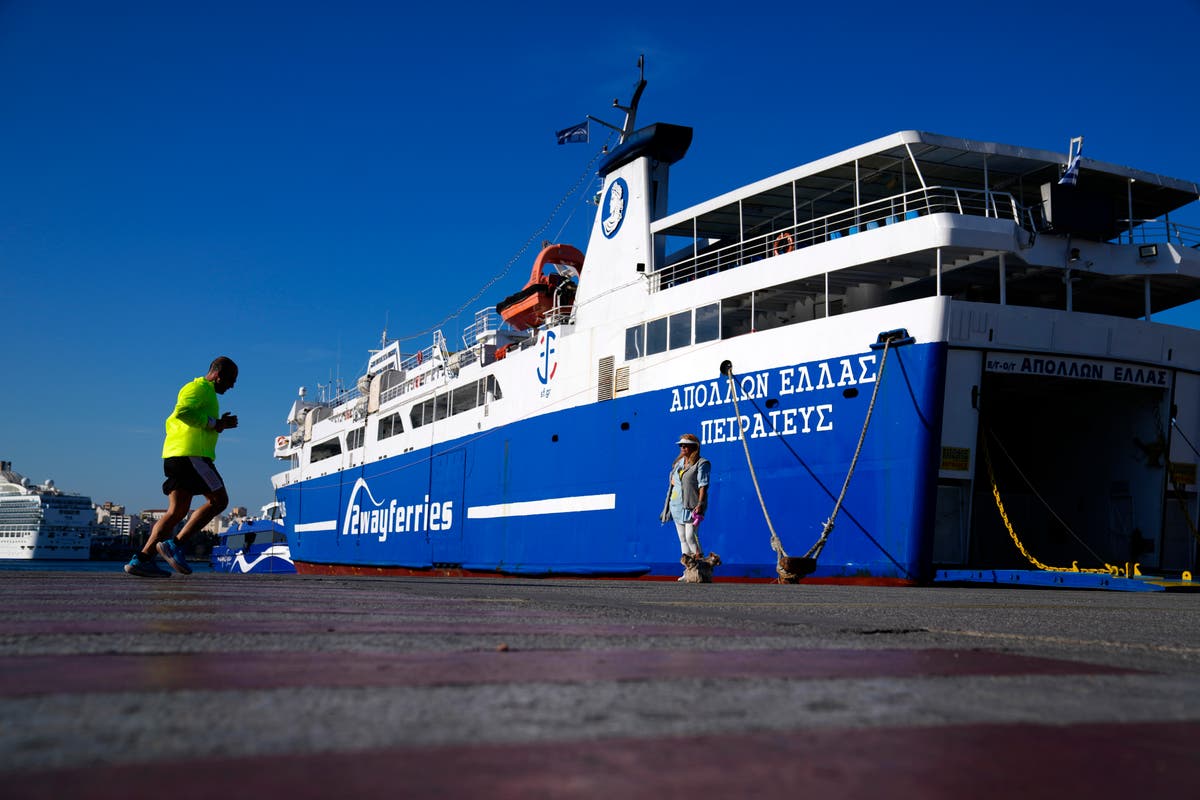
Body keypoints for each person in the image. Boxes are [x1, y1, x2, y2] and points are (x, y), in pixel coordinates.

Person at [125, 356, 239, 577]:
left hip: (177, 455)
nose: (232, 385)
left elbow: (198, 420)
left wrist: (219, 424)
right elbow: (183, 412)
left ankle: (142, 559)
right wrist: (216, 423)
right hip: (191, 456)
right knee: (219, 500)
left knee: (176, 511)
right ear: (217, 375)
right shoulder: (198, 388)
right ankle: (174, 545)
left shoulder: (206, 394)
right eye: (231, 379)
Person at [660, 433, 710, 581]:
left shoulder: (702, 463)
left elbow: (703, 485)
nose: (682, 447)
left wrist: (700, 504)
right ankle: (687, 571)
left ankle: (701, 568)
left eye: (685, 445)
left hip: (691, 505)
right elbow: (672, 480)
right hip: (676, 505)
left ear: (694, 447)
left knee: (690, 536)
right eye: (681, 445)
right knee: (682, 538)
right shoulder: (679, 463)